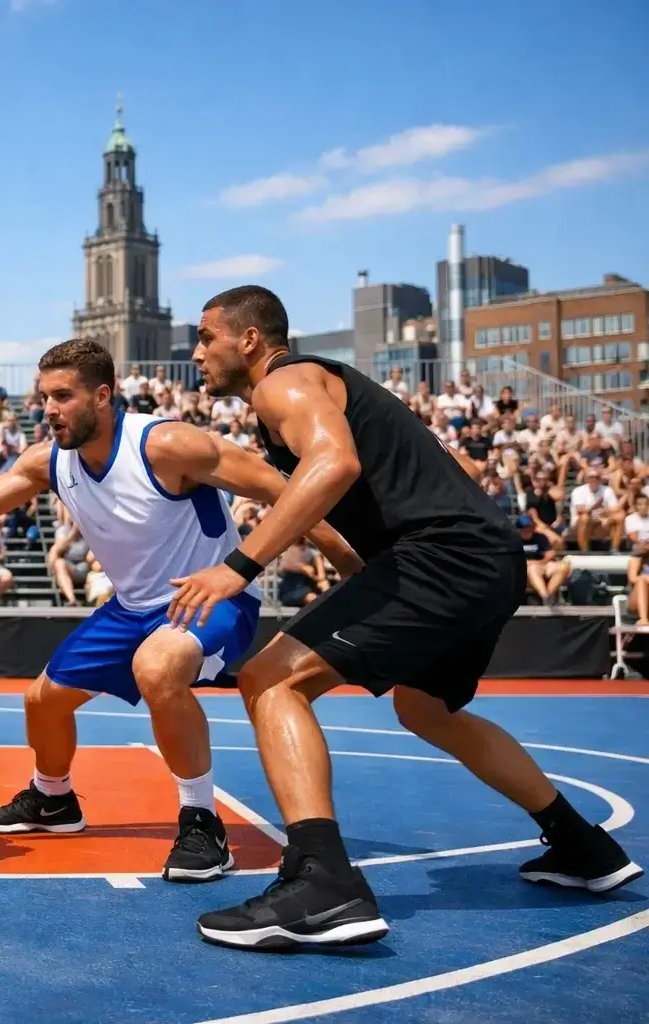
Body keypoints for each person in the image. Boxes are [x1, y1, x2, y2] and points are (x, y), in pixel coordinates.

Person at [170, 285, 642, 950]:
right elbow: (409, 474)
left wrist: (238, 567)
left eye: (205, 337)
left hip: (441, 556)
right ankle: (581, 844)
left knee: (270, 680)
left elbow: (335, 463)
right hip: (486, 557)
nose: (196, 353)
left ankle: (324, 886)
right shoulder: (319, 388)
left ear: (249, 339)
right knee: (426, 709)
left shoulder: (285, 382)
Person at [0, 340, 359, 883]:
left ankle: (202, 823)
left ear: (102, 396)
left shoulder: (166, 444)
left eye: (63, 396)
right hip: (130, 608)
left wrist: (347, 562)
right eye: (44, 397)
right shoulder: (51, 461)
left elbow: (283, 490)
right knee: (43, 702)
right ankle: (53, 799)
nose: (49, 409)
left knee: (157, 667)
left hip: (209, 597)